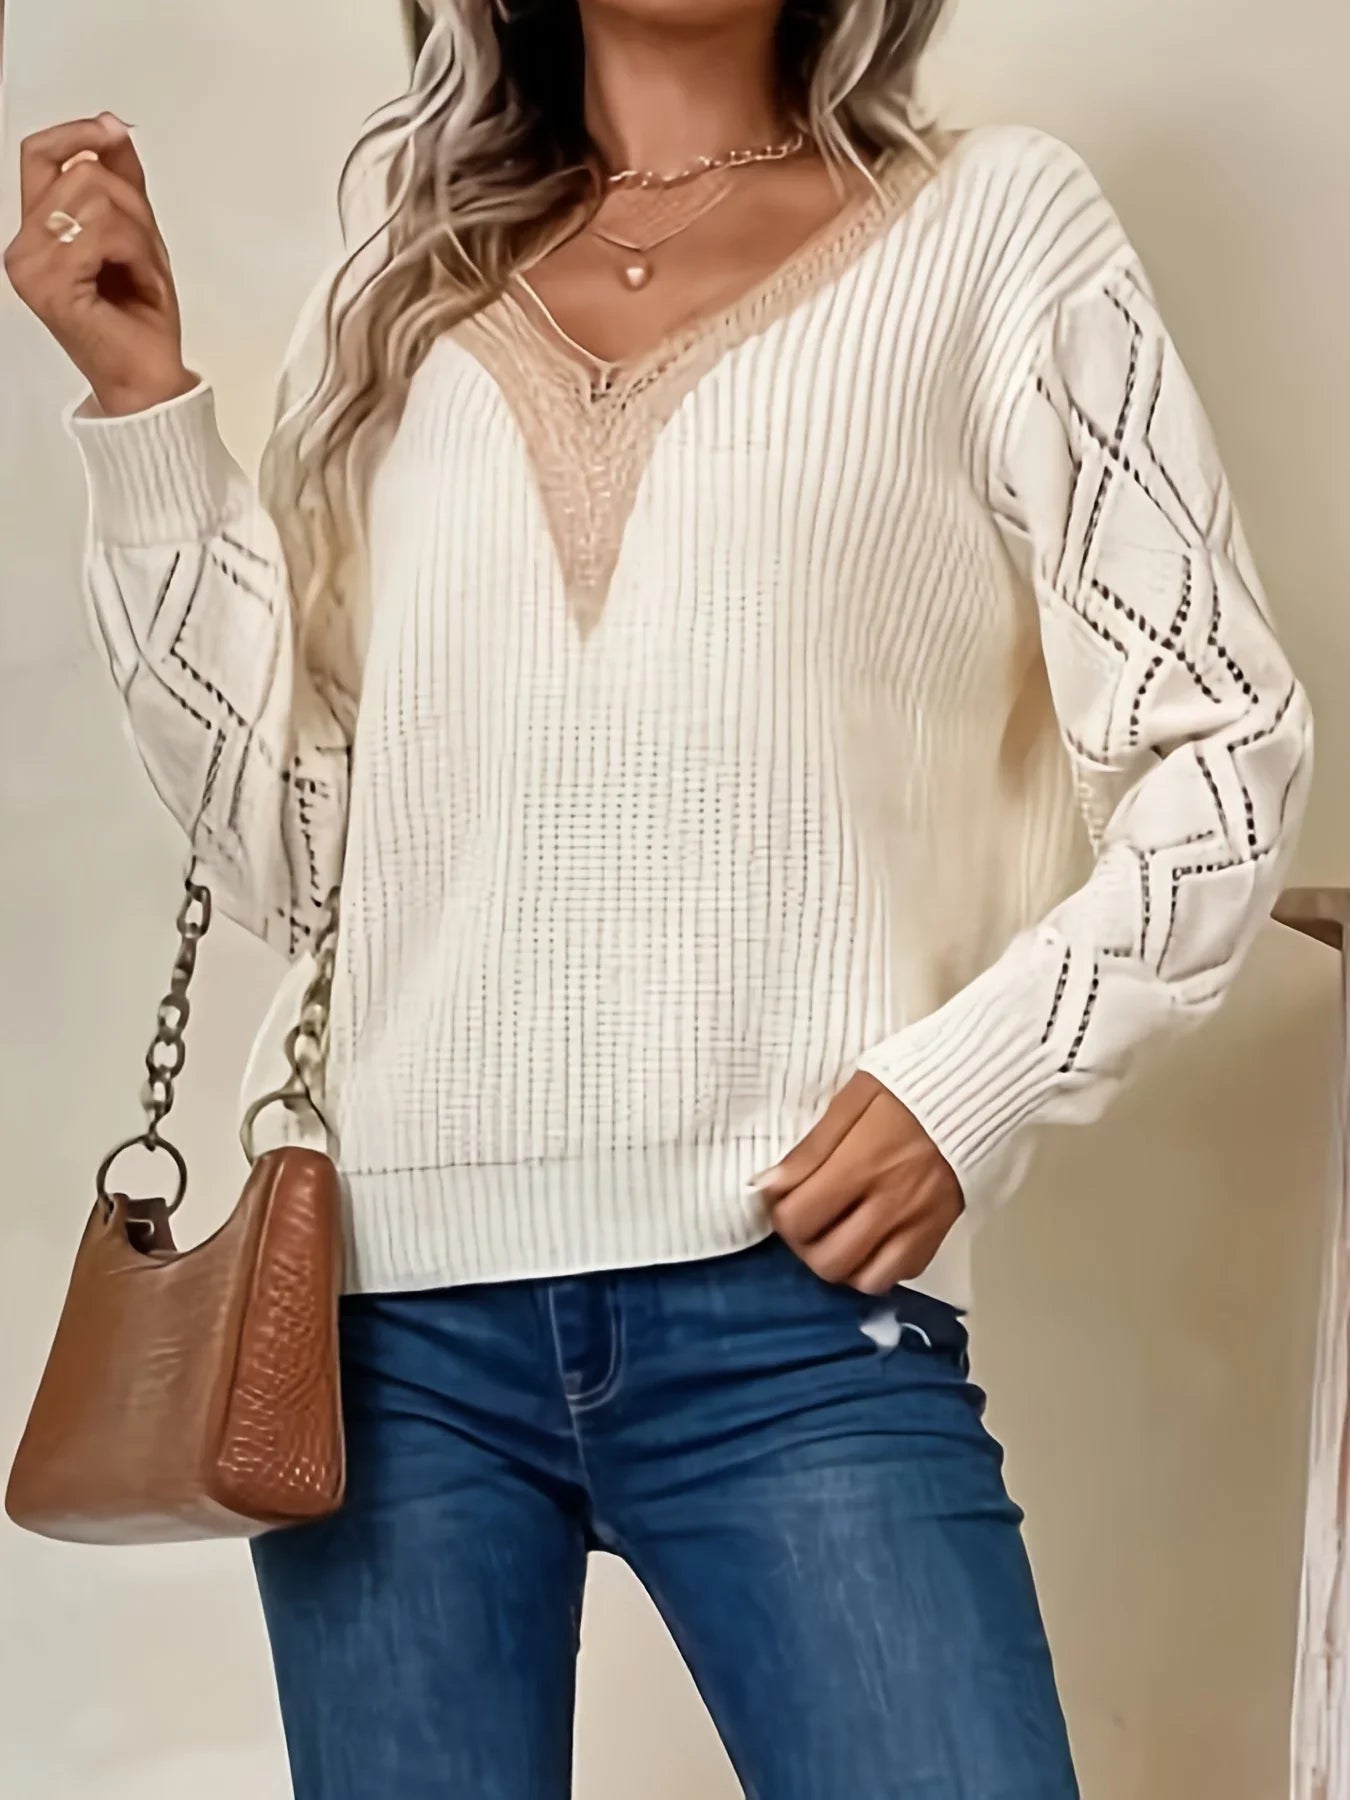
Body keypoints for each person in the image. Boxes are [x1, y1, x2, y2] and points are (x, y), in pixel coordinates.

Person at [6, 0, 1311, 1793]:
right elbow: (293, 864)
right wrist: (142, 410)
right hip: (383, 1348)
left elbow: (1221, 752)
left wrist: (972, 1078)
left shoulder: (997, 228)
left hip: (794, 1310)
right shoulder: (397, 293)